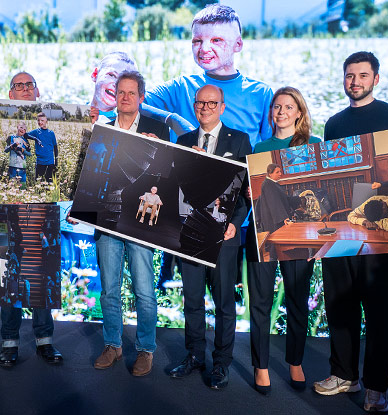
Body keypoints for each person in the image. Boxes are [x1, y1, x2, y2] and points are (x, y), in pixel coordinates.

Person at [313, 51, 388, 412]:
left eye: (363, 75)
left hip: (385, 233)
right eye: (349, 76)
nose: (355, 82)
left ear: (376, 79)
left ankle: (376, 388)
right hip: (348, 229)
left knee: (380, 311)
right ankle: (344, 375)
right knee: (340, 305)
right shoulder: (334, 124)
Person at [168, 84, 250, 389]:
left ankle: (221, 364)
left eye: (212, 103)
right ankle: (194, 355)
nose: (205, 108)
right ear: (194, 106)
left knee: (224, 302)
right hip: (191, 232)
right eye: (200, 103)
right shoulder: (183, 141)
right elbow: (176, 189)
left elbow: (246, 191)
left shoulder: (239, 140)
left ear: (222, 107)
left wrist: (236, 223)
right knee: (192, 300)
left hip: (225, 235)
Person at [94, 70, 170, 377]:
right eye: (121, 92)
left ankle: (146, 349)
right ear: (115, 97)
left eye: (131, 93)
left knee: (144, 290)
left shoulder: (157, 130)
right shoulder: (102, 130)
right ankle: (112, 345)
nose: (125, 98)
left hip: (140, 221)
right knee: (109, 290)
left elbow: (169, 176)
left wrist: (159, 152)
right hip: (107, 217)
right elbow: (91, 174)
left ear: (141, 97)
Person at [247, 86, 322, 395]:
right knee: (260, 301)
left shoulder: (314, 145)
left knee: (297, 300)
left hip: (298, 236)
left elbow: (303, 198)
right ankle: (261, 366)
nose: (281, 112)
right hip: (262, 234)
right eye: (277, 106)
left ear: (299, 112)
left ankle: (295, 362)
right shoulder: (260, 147)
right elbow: (258, 200)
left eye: (289, 107)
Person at [0, 71, 63, 368]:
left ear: (37, 91)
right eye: (18, 86)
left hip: (40, 212)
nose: (24, 89)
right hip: (9, 211)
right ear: (10, 94)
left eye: (29, 85)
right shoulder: (13, 131)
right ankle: (9, 342)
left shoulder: (43, 128)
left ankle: (44, 340)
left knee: (40, 271)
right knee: (10, 274)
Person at [144, 4, 273, 148]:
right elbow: (131, 104)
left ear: (238, 44)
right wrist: (173, 120)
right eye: (197, 41)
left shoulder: (261, 93)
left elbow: (278, 149)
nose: (204, 49)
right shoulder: (180, 87)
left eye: (216, 40)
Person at [27, 112, 58, 182]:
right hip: (40, 162)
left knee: (49, 183)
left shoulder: (51, 133)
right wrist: (34, 139)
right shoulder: (36, 132)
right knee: (38, 182)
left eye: (42, 120)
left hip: (50, 162)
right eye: (38, 120)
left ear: (46, 121)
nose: (40, 122)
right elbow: (25, 135)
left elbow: (55, 147)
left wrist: (56, 161)